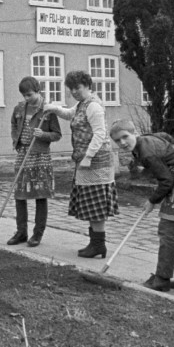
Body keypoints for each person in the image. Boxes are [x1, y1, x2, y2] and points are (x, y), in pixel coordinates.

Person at [110, 121, 174, 292]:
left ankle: (162, 278)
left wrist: (152, 200)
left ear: (135, 132)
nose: (122, 142)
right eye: (117, 140)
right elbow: (165, 137)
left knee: (166, 229)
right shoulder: (144, 141)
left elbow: (166, 181)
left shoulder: (146, 153)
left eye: (125, 137)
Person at [44, 70, 117, 258]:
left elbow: (100, 133)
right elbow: (70, 114)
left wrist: (88, 157)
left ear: (87, 86)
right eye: (71, 89)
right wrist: (54, 108)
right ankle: (95, 244)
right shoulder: (82, 104)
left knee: (96, 204)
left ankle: (98, 245)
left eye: (78, 87)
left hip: (96, 162)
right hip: (86, 161)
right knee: (92, 204)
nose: (74, 91)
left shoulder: (94, 106)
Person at [7, 77, 62, 247]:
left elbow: (57, 134)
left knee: (40, 195)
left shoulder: (47, 111)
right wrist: (16, 141)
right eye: (24, 95)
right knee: (19, 194)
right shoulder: (19, 107)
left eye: (29, 94)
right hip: (23, 154)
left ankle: (37, 234)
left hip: (40, 157)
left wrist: (43, 135)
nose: (26, 98)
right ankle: (21, 232)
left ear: (38, 91)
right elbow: (14, 124)